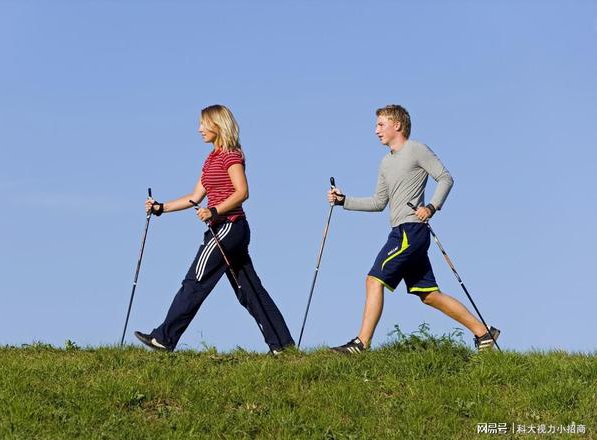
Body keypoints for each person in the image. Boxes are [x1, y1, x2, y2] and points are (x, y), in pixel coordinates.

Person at [327, 104, 500, 353]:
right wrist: (344, 201)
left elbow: (445, 178)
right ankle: (485, 333)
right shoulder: (385, 163)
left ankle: (361, 344)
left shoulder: (416, 149)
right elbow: (378, 202)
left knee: (373, 280)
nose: (376, 131)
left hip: (411, 231)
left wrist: (431, 207)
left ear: (397, 125)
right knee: (428, 294)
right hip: (401, 231)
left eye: (380, 124)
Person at [134, 104, 295, 354]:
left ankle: (164, 338)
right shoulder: (211, 159)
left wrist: (215, 211)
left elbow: (243, 192)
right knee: (249, 290)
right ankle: (283, 346)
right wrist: (160, 208)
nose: (199, 129)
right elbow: (196, 196)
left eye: (203, 124)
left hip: (228, 228)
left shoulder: (232, 155)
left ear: (217, 125)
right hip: (226, 230)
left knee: (195, 280)